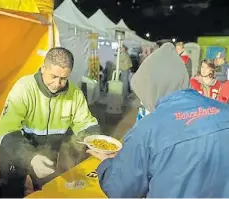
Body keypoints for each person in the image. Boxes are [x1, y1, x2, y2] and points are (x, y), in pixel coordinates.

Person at [87, 43, 229, 197]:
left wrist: (106, 166)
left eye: (143, 94)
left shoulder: (147, 129)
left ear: (153, 88)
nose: (142, 102)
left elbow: (119, 188)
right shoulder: (224, 112)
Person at [0, 47, 101, 198]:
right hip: (16, 151)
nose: (57, 83)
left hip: (48, 152)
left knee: (48, 191)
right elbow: (6, 131)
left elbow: (86, 124)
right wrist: (30, 157)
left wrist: (97, 140)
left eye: (64, 78)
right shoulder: (24, 88)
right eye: (53, 76)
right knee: (11, 192)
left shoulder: (75, 93)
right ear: (43, 67)